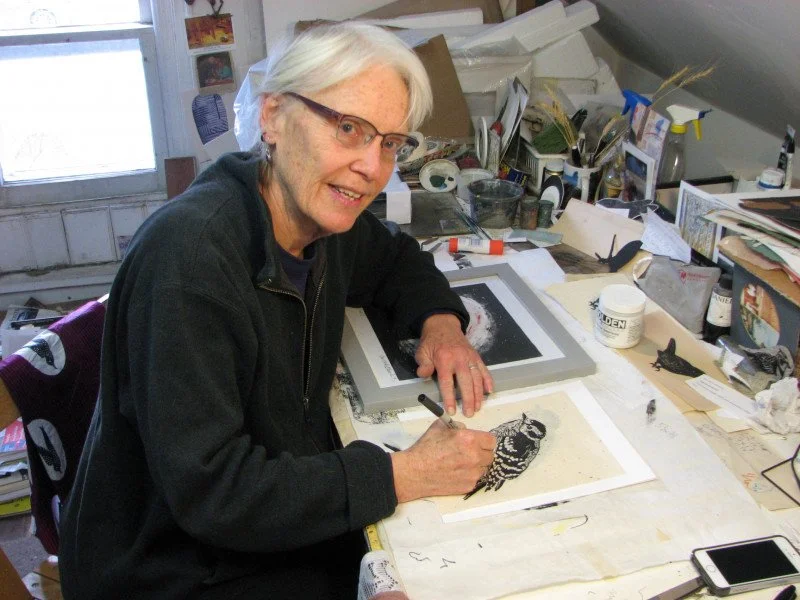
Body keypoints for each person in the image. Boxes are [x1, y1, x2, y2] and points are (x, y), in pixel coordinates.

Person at [60, 21, 497, 600]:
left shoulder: (320, 211)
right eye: (348, 128)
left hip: (261, 511)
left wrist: (442, 325)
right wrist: (405, 473)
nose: (372, 167)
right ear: (273, 117)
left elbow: (393, 257)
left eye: (390, 142)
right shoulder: (190, 263)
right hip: (174, 565)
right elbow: (216, 493)